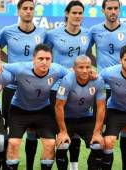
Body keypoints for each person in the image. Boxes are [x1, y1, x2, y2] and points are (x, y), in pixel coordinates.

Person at [89, 1, 126, 169]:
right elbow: (85, 53)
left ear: (119, 10)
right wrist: (96, 64)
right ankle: (99, 163)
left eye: (116, 8)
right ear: (103, 10)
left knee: (125, 127)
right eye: (109, 8)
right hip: (102, 85)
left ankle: (125, 166)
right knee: (100, 126)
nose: (113, 12)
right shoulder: (94, 30)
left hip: (123, 86)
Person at [4, 44, 69, 170]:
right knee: (13, 143)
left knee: (50, 144)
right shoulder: (20, 68)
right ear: (33, 59)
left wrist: (91, 74)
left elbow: (72, 74)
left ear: (52, 60)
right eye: (40, 59)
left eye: (47, 59)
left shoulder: (57, 69)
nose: (44, 62)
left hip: (43, 110)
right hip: (19, 110)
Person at [0, 0, 47, 169]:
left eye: (31, 9)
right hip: (12, 87)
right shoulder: (7, 32)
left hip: (35, 89)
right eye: (25, 8)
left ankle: (30, 166)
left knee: (33, 130)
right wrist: (11, 63)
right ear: (18, 11)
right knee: (7, 129)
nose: (28, 11)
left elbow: (47, 57)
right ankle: (7, 165)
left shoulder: (42, 33)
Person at [45, 1, 91, 169]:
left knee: (77, 127)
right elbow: (44, 56)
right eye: (74, 13)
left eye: (80, 13)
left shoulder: (87, 34)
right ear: (66, 14)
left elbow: (89, 56)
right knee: (60, 129)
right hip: (57, 87)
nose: (77, 16)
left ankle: (74, 165)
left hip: (80, 88)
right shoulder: (52, 35)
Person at [54, 55, 106, 170]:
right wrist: (62, 131)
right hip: (67, 119)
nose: (85, 70)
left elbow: (101, 107)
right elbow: (58, 106)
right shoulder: (67, 80)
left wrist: (97, 132)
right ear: (74, 68)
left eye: (88, 67)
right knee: (62, 145)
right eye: (81, 67)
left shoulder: (98, 81)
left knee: (98, 146)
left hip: (86, 118)